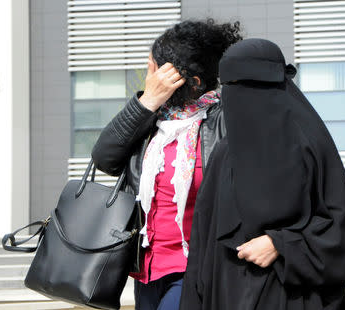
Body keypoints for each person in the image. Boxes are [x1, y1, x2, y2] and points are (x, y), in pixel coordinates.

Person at [179, 38, 345, 310]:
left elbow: (340, 231)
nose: (234, 98)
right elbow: (203, 244)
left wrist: (281, 244)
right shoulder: (225, 154)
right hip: (227, 294)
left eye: (244, 87)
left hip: (293, 297)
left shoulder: (308, 145)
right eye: (229, 87)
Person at [91, 19, 241, 310]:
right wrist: (145, 103)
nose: (151, 79)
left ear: (192, 82)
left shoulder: (226, 120)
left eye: (157, 71)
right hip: (146, 270)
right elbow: (104, 158)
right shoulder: (152, 119)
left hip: (195, 267)